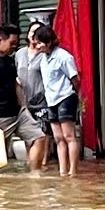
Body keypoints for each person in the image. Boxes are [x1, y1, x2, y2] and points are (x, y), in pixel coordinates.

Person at [0, 24, 46, 179]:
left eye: (16, 43)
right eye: (12, 43)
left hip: (18, 112)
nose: (14, 47)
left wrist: (24, 107)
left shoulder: (10, 61)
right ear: (0, 40)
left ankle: (34, 176)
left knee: (39, 137)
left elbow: (15, 85)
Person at [35, 26, 81, 176]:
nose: (38, 46)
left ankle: (73, 170)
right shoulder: (43, 59)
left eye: (40, 42)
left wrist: (76, 94)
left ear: (48, 42)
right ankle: (62, 171)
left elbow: (75, 78)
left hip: (65, 97)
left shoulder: (63, 56)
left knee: (69, 136)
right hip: (51, 100)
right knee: (58, 138)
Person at [16, 21, 50, 168]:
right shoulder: (19, 53)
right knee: (27, 133)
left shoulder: (44, 54)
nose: (34, 35)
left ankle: (43, 163)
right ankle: (31, 163)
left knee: (42, 133)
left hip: (41, 99)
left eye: (38, 32)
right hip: (23, 99)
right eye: (32, 32)